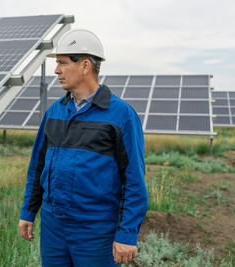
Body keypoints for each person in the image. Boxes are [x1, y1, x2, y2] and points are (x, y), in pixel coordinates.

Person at [19, 28, 148, 267]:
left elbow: (134, 180)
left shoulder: (121, 116)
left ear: (86, 66)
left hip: (96, 231)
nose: (56, 70)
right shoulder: (55, 112)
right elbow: (37, 167)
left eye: (62, 63)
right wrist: (28, 212)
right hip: (53, 228)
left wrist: (127, 234)